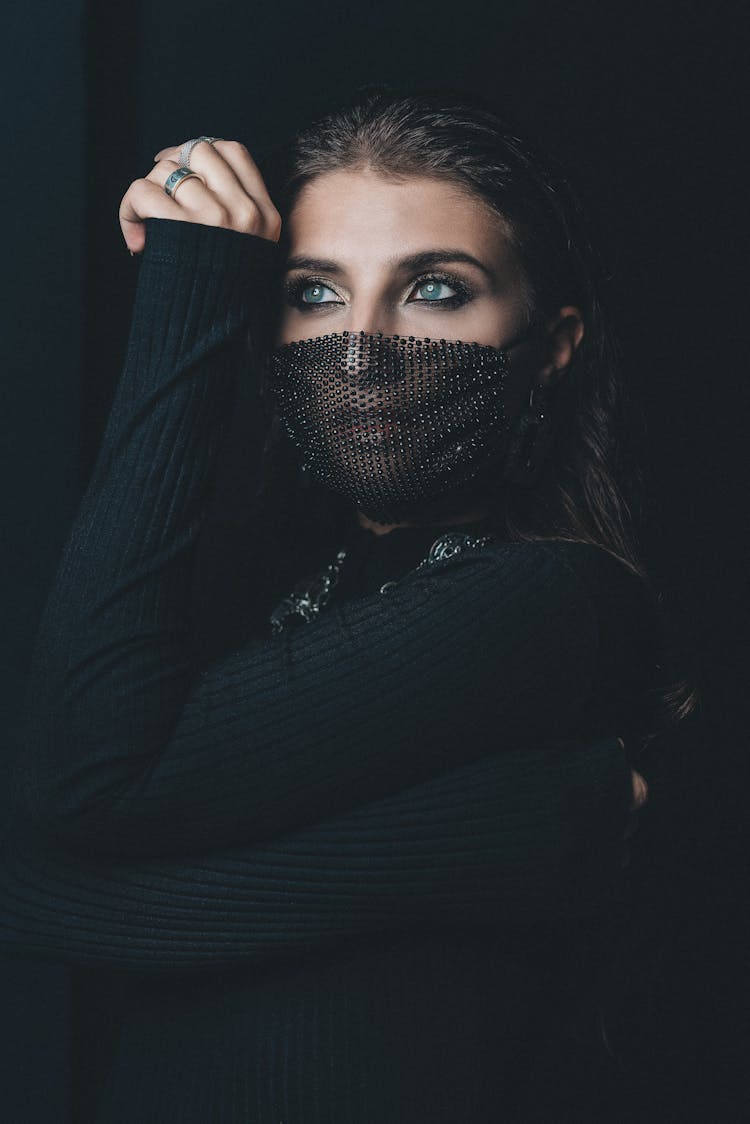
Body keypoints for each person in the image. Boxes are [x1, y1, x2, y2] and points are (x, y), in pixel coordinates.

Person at [0, 84, 691, 1122]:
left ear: (553, 340)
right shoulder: (239, 594)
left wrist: (188, 285)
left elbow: (85, 795)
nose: (364, 354)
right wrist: (476, 846)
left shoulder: (554, 601)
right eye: (315, 294)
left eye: (437, 291)